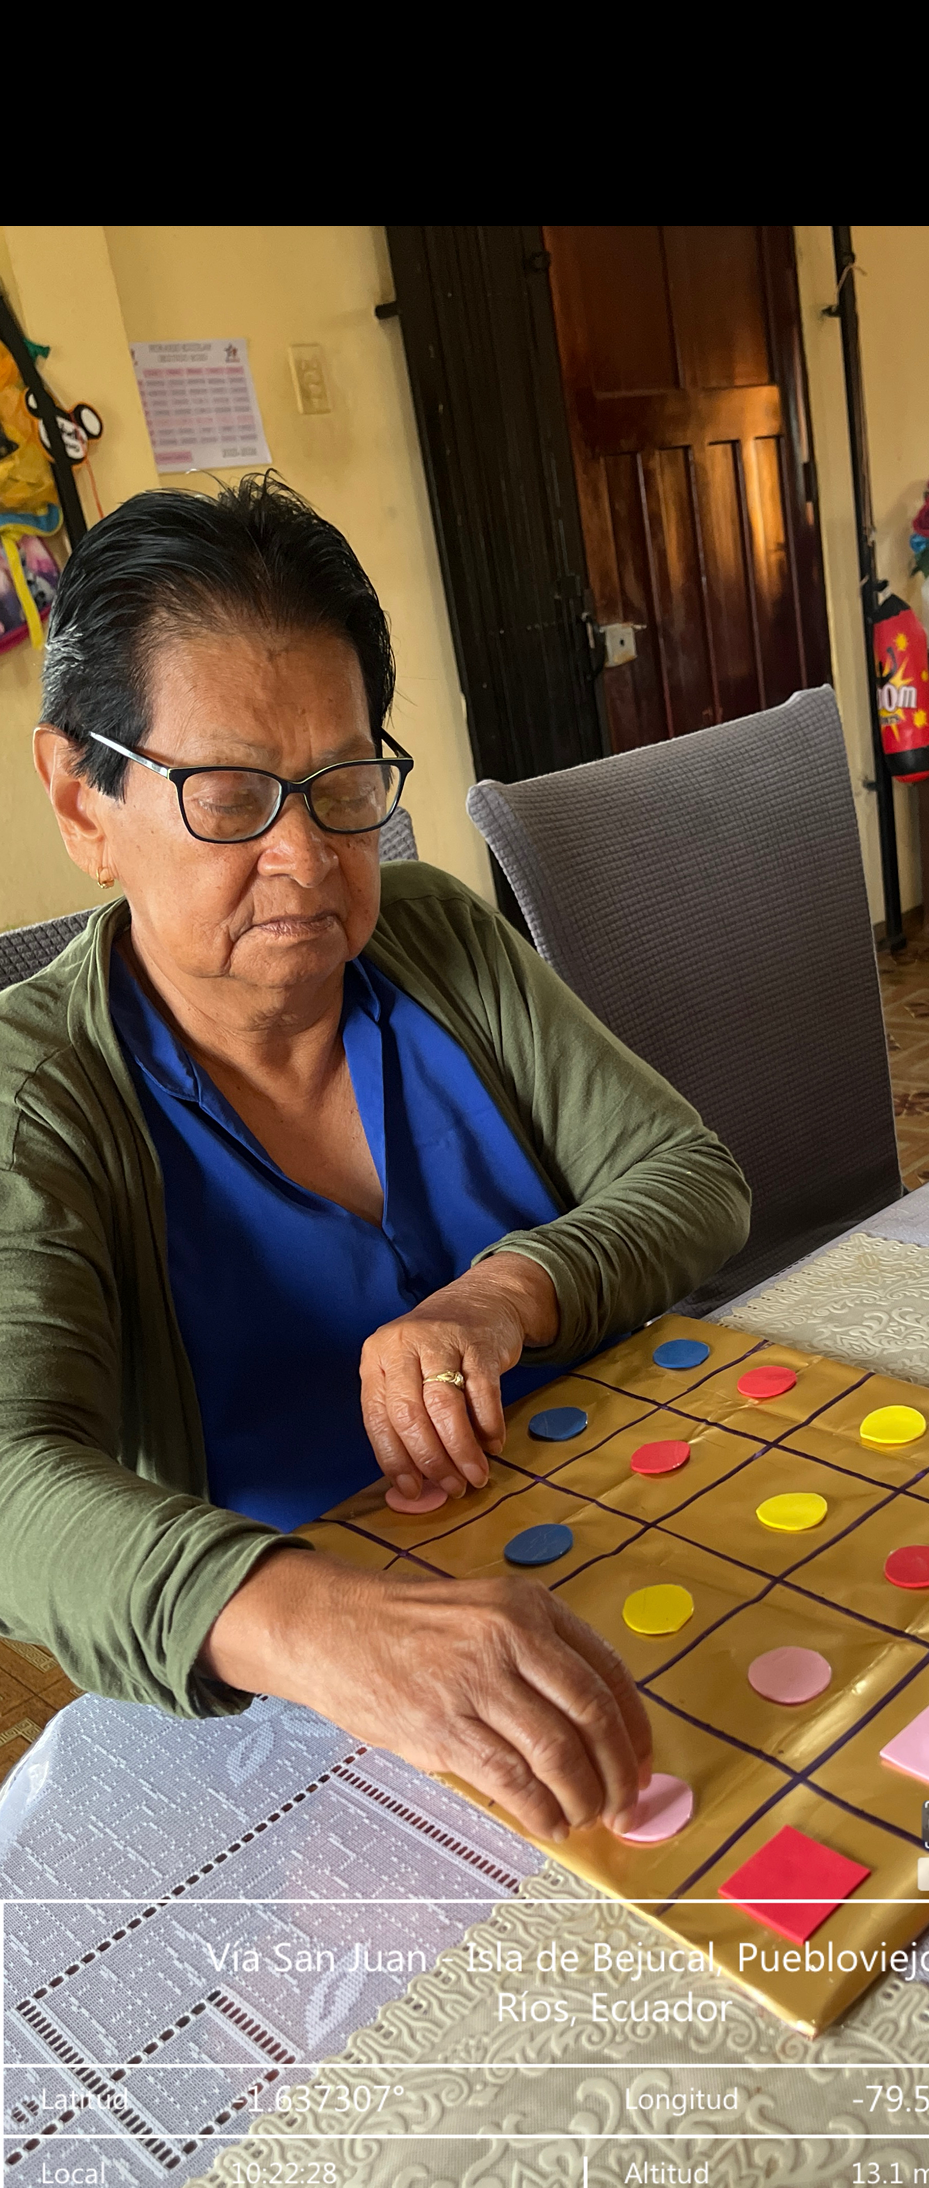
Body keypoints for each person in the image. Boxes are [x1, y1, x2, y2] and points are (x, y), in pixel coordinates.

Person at [0, 475, 751, 1850]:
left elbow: (687, 1176)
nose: (306, 856)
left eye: (342, 787)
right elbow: (11, 1480)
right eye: (230, 795)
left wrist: (505, 1290)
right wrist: (320, 1626)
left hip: (631, 1531)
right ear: (82, 799)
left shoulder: (435, 938)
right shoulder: (34, 1096)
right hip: (316, 1703)